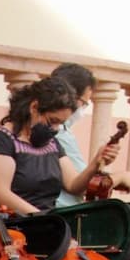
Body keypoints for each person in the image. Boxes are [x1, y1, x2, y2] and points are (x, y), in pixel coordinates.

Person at [0, 75, 120, 220]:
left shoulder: (52, 144)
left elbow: (73, 185)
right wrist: (45, 220)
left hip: (43, 225)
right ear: (34, 107)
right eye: (52, 120)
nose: (55, 128)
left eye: (60, 124)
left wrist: (96, 162)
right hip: (5, 229)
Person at [52, 62, 95, 208]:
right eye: (83, 102)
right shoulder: (58, 133)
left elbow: (73, 183)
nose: (82, 109)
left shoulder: (63, 132)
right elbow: (81, 182)